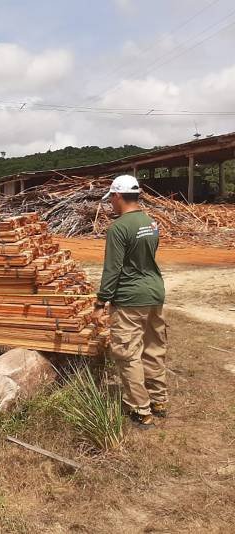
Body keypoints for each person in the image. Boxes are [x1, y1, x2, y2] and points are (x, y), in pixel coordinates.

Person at [92, 175, 167, 430]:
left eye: (111, 199)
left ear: (117, 196)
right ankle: (159, 401)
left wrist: (101, 301)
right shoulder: (151, 223)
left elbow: (112, 269)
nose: (111, 205)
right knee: (154, 348)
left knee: (128, 353)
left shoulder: (119, 228)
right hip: (154, 293)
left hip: (130, 298)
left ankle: (139, 409)